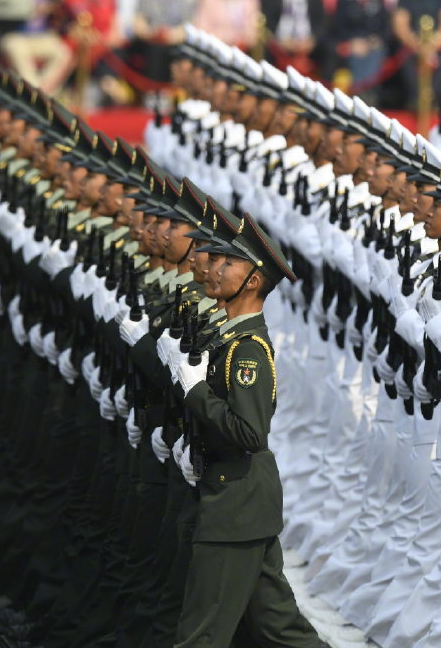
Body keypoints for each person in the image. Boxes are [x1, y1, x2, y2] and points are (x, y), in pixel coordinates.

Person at [169, 214, 322, 647]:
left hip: (235, 504)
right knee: (278, 627)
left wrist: (195, 391)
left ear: (253, 281)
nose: (213, 269)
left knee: (201, 635)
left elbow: (250, 432)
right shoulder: (230, 339)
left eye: (227, 265)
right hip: (239, 502)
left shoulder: (248, 349)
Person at [0, 0, 73, 95]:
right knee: (15, 49)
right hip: (17, 36)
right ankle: (34, 94)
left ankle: (40, 93)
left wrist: (51, 10)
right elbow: (2, 13)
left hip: (42, 35)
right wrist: (29, 9)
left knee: (64, 53)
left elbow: (57, 9)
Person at [331, 0, 389, 101]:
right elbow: (339, 27)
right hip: (351, 44)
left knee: (375, 53)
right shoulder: (344, 0)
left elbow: (385, 28)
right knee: (356, 55)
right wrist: (352, 42)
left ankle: (367, 92)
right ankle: (360, 93)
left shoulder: (378, 0)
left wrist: (372, 42)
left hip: (373, 44)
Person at [132, 0, 194, 84]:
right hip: (151, 45)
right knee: (155, 51)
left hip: (173, 43)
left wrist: (170, 35)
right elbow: (138, 25)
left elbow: (187, 28)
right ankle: (153, 90)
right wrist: (153, 33)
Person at [260, 0, 326, 73]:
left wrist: (312, 41)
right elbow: (267, 21)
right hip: (280, 44)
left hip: (308, 43)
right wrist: (280, 41)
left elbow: (321, 22)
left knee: (328, 50)